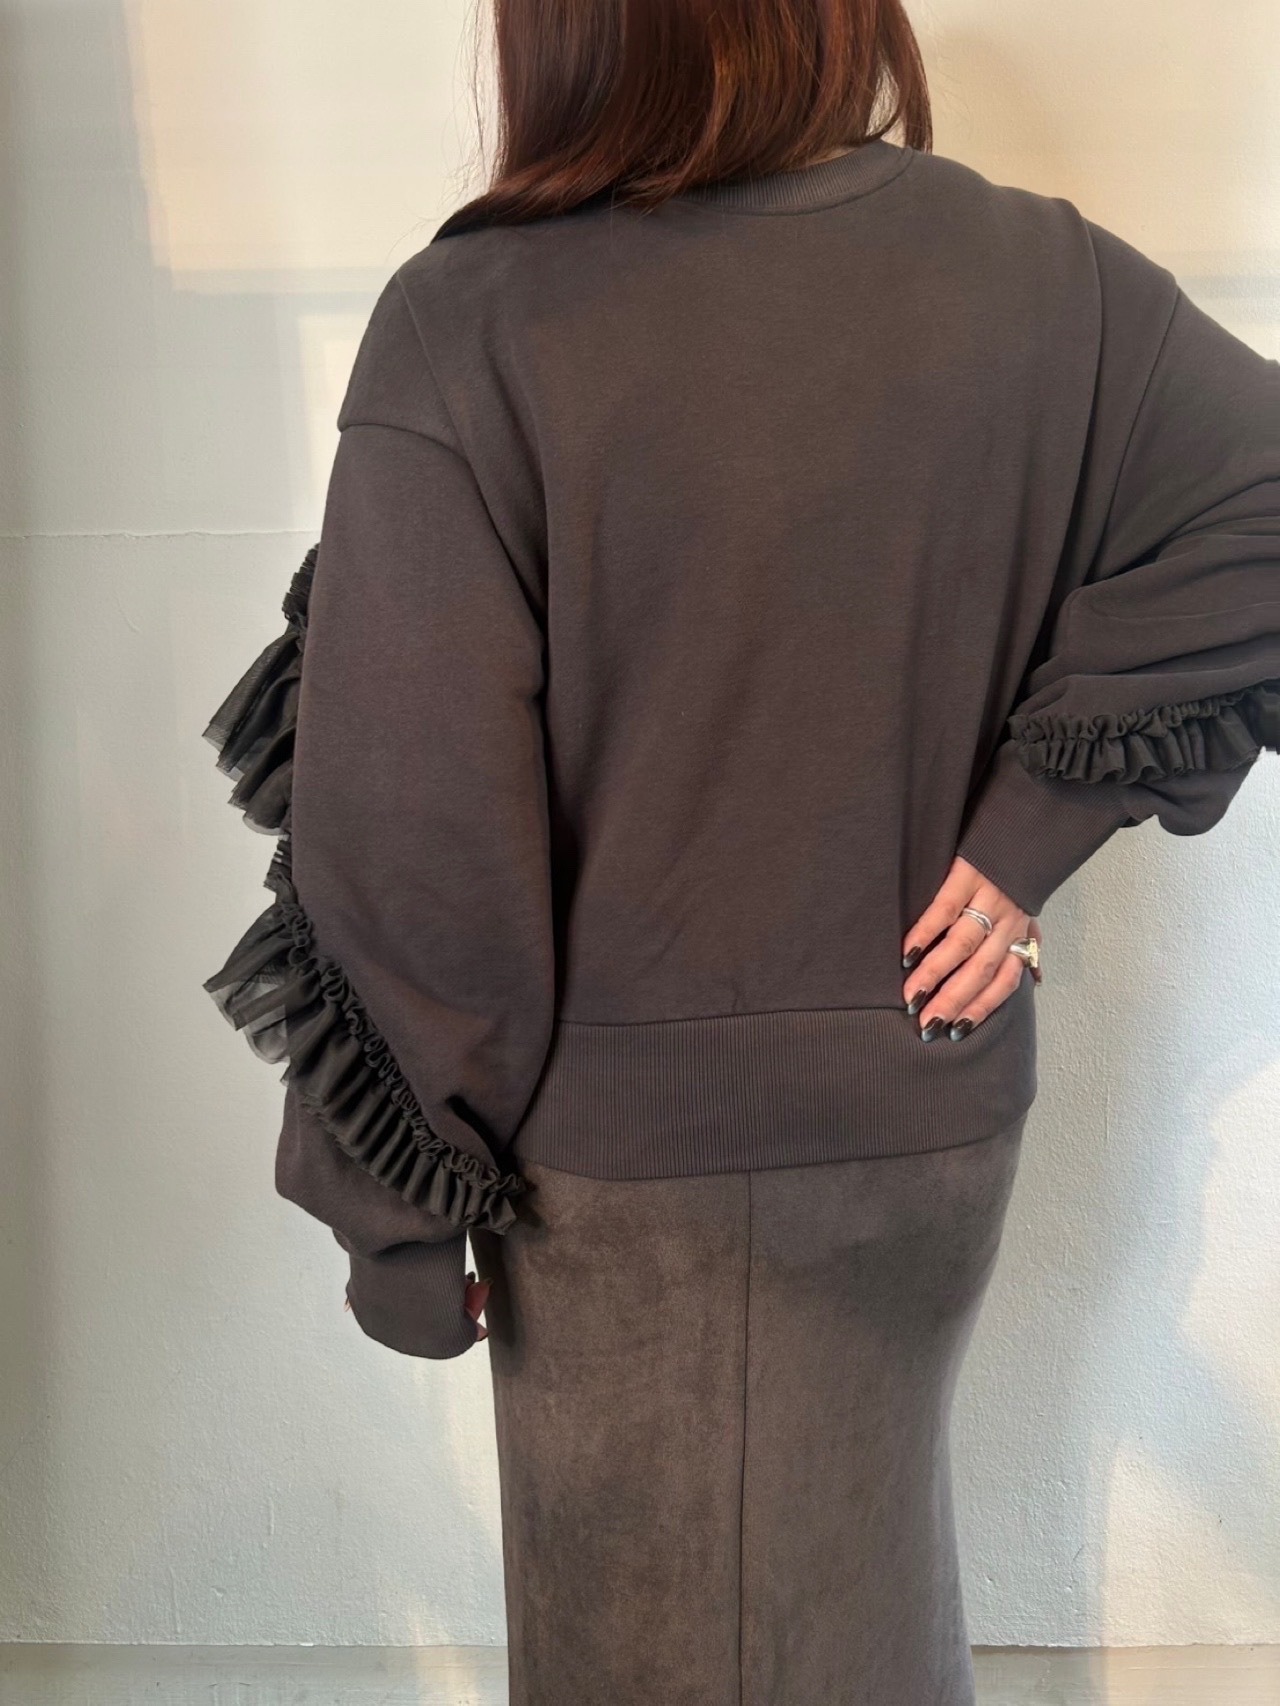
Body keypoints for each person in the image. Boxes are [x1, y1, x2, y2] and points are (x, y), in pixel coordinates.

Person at [200, 2, 1280, 1701]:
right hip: (928, 1130)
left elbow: (416, 844)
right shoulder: (1040, 277)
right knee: (865, 1626)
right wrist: (1026, 836)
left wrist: (393, 1216)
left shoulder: (476, 324)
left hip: (630, 1197)